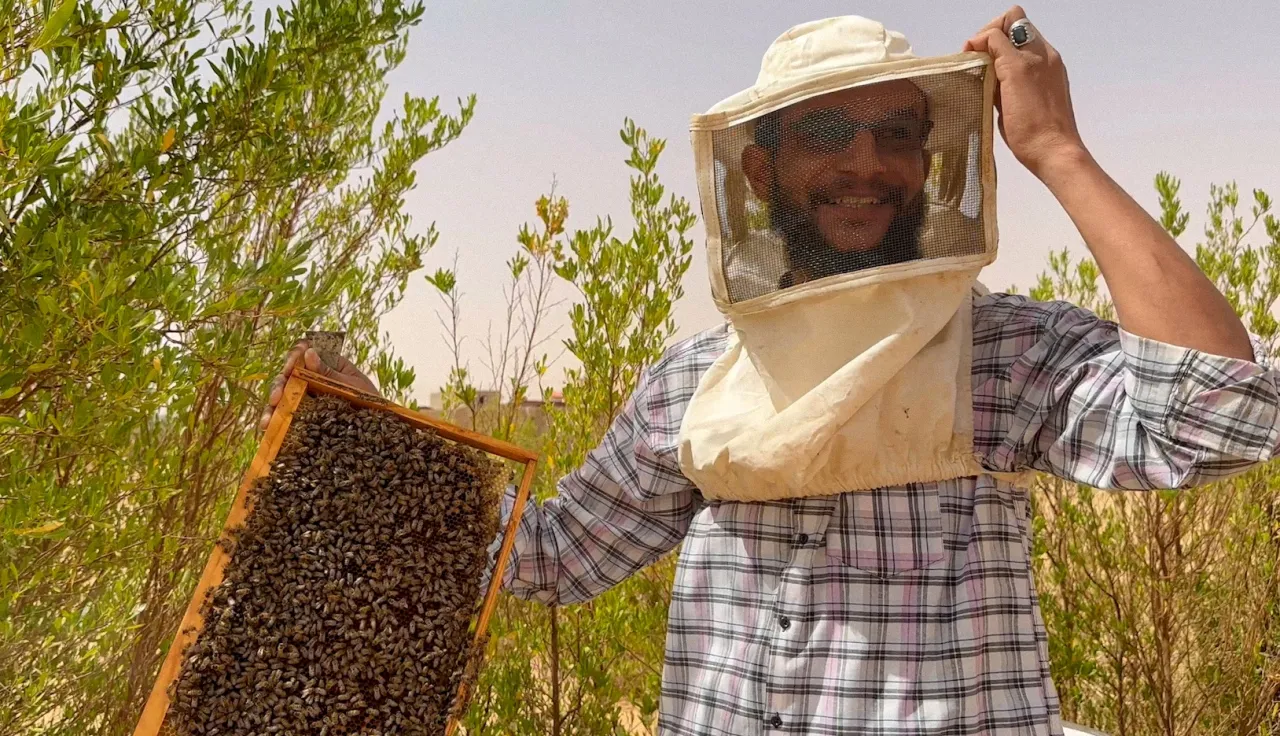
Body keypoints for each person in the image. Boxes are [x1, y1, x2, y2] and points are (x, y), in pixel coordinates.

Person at [262, 8, 1279, 735]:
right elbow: (554, 556)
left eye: (894, 134)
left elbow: (1215, 418)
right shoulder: (693, 382)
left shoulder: (998, 353)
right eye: (826, 134)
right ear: (760, 170)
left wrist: (1056, 148)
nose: (863, 163)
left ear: (930, 162)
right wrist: (367, 435)